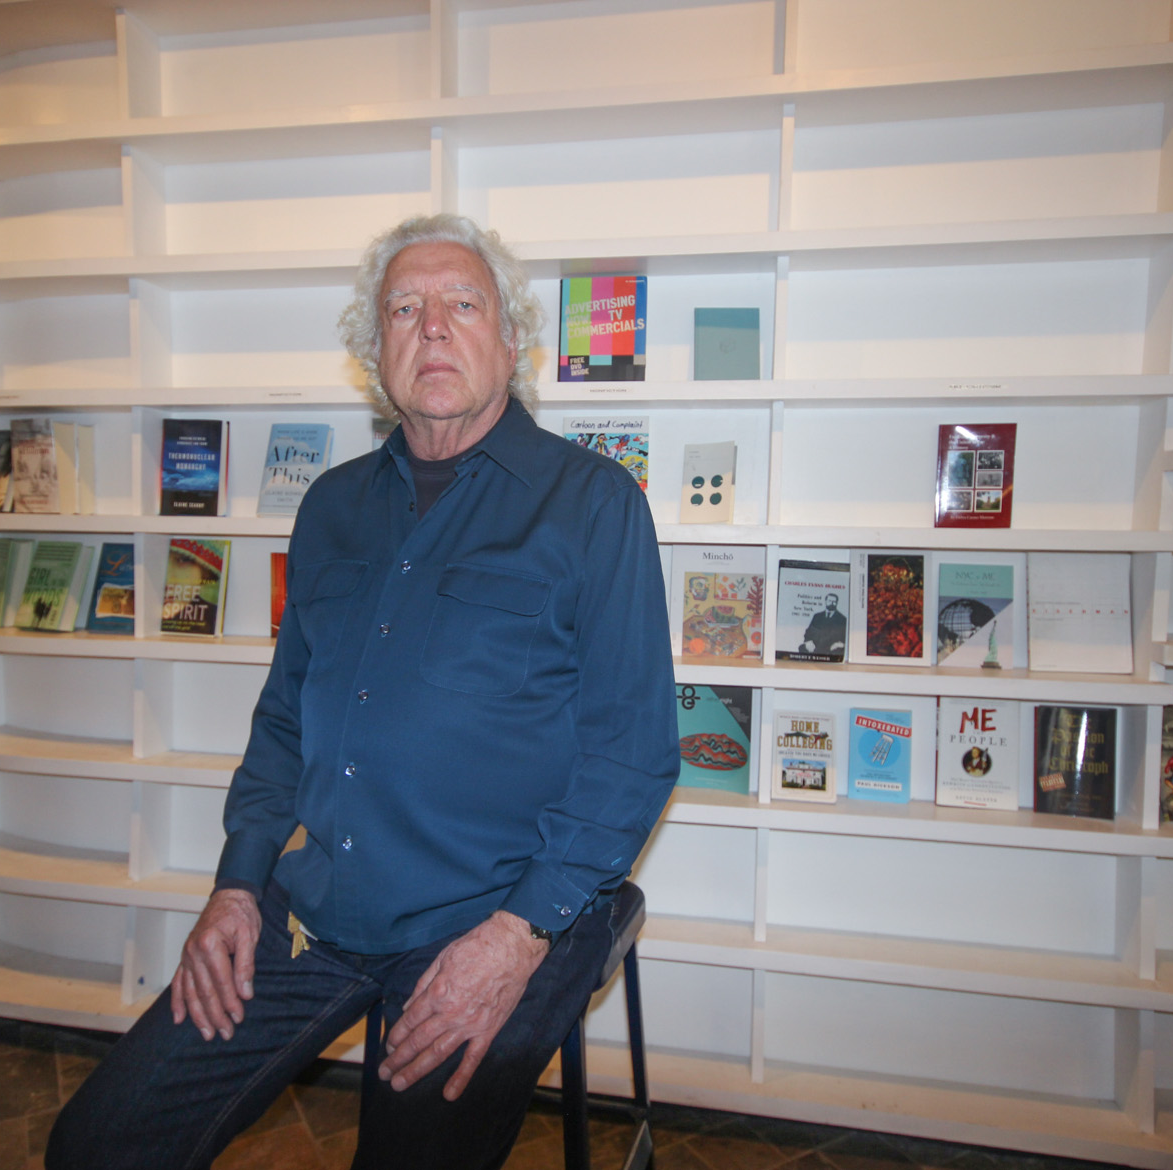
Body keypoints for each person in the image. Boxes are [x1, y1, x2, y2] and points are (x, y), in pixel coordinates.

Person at [47, 215, 679, 1170]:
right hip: (316, 908)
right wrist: (235, 884)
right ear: (372, 350)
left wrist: (514, 940)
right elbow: (283, 717)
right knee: (98, 1145)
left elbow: (633, 753)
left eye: (462, 305)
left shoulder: (593, 504)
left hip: (496, 909)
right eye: (403, 308)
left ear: (510, 342)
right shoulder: (332, 506)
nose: (432, 328)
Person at [802, 592, 846, 657]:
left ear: (837, 603)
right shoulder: (817, 616)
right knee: (802, 648)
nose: (832, 603)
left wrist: (840, 644)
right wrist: (808, 642)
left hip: (832, 648)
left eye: (834, 601)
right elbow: (808, 632)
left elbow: (844, 637)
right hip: (815, 646)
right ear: (825, 601)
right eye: (830, 601)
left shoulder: (842, 619)